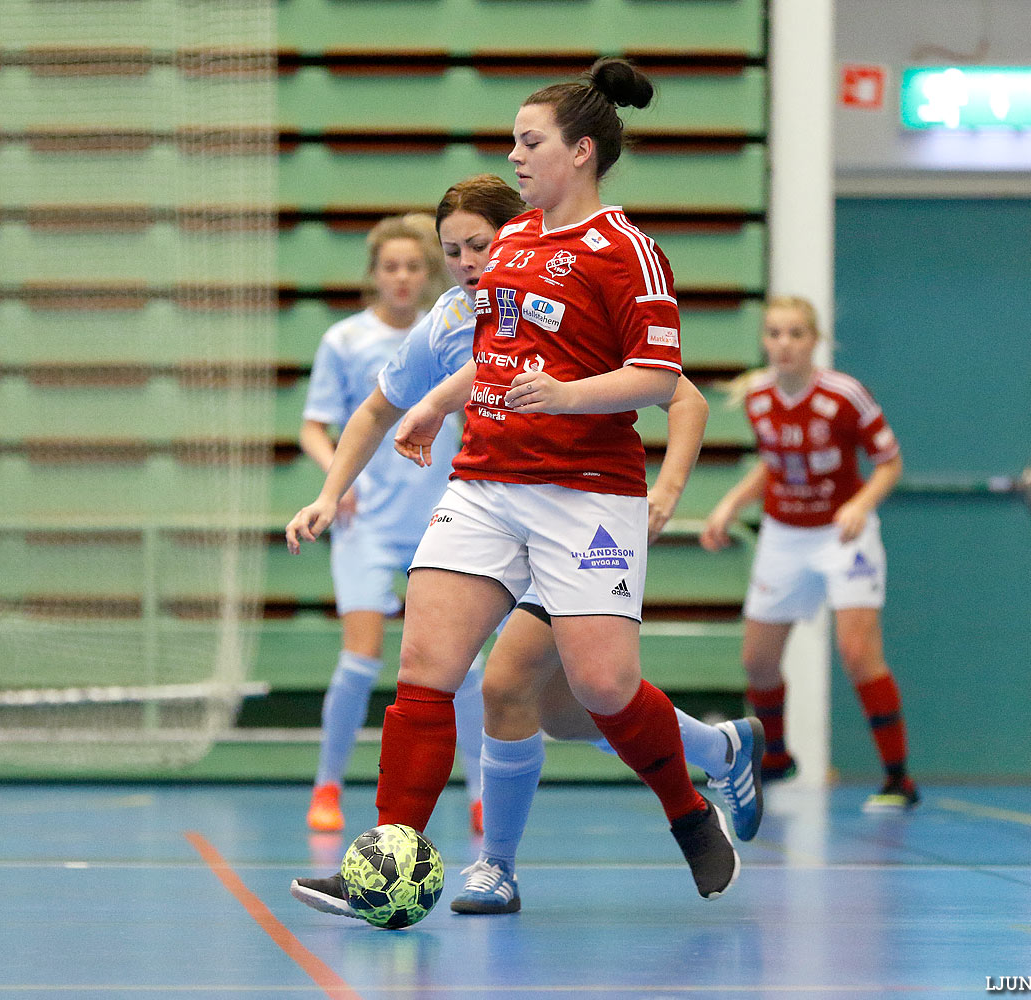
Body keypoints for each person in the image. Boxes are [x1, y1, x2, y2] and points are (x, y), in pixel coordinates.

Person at [290, 57, 743, 917]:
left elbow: (660, 377)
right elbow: (494, 354)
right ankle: (383, 869)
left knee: (603, 688)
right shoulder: (517, 243)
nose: (517, 156)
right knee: (424, 668)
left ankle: (687, 809)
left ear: (580, 151)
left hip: (586, 493)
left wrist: (571, 398)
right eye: (513, 141)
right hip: (487, 483)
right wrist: (428, 406)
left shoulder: (629, 253)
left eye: (529, 142)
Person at [298, 213, 485, 835]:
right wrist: (335, 487)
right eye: (390, 267)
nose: (402, 278)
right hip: (368, 524)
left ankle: (482, 790)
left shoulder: (461, 326)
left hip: (443, 516)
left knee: (464, 666)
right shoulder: (345, 341)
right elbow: (316, 426)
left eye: (413, 266)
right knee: (360, 659)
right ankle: (327, 786)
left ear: (427, 272)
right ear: (373, 275)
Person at [699, 295, 920, 811]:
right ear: (764, 341)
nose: (784, 344)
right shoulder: (756, 397)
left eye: (796, 334)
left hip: (843, 536)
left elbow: (889, 462)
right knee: (757, 661)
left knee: (857, 653)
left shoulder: (845, 396)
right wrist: (729, 505)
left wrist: (860, 506)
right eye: (774, 333)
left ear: (814, 341)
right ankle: (776, 757)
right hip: (784, 533)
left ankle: (898, 779)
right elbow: (775, 464)